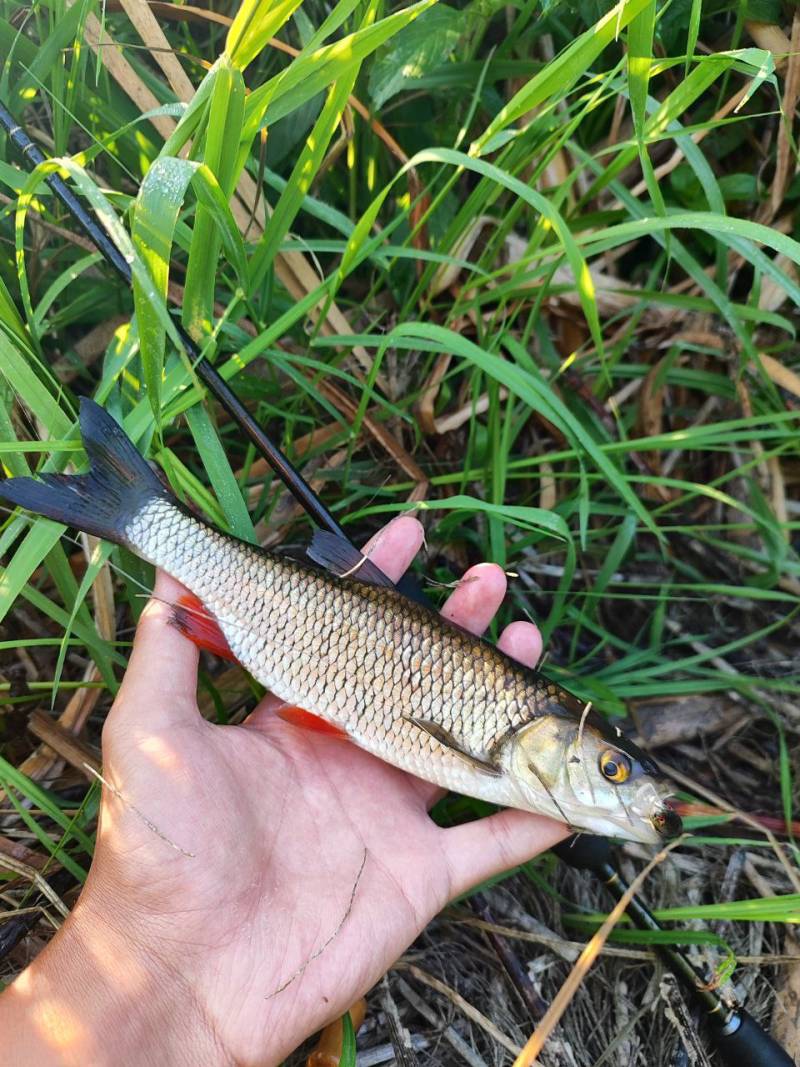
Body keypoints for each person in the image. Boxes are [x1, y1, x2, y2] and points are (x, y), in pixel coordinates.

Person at [0, 516, 567, 1066]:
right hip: (294, 623)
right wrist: (154, 944)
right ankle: (143, 516)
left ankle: (142, 516)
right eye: (611, 770)